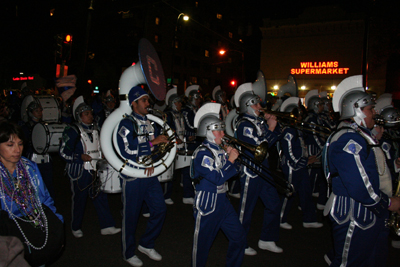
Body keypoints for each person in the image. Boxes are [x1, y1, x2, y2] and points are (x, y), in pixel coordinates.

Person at [323, 75, 400, 266]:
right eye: (370, 109)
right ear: (355, 110)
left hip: (365, 213)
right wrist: (387, 203)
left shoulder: (360, 136)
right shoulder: (348, 139)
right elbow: (358, 184)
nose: (374, 113)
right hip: (354, 214)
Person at [116, 86, 168, 267]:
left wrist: (162, 146)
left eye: (148, 100)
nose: (148, 103)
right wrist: (153, 142)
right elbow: (127, 150)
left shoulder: (149, 122)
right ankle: (128, 253)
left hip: (149, 174)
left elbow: (153, 148)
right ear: (134, 103)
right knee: (131, 217)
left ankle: (146, 243)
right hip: (133, 176)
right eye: (144, 100)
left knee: (160, 209)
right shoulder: (126, 124)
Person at [0, 121, 64, 267]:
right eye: (10, 145)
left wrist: (56, 228)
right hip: (8, 236)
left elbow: (45, 199)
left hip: (34, 228)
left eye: (20, 144)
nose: (17, 150)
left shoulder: (29, 167)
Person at [190, 103, 246, 267]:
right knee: (202, 246)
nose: (223, 133)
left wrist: (232, 157)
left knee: (239, 237)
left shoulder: (220, 149)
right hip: (207, 202)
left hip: (223, 201)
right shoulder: (202, 153)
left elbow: (234, 171)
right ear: (208, 131)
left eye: (222, 129)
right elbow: (218, 177)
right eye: (219, 130)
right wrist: (230, 160)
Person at [59, 96, 120, 239]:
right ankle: (75, 227)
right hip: (80, 171)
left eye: (91, 113)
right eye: (86, 114)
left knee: (100, 197)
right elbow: (63, 152)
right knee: (79, 200)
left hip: (95, 170)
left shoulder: (96, 129)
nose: (90, 116)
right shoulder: (72, 130)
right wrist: (79, 157)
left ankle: (107, 225)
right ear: (79, 116)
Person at [234, 82, 283, 255]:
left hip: (264, 168)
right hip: (250, 171)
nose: (259, 107)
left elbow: (274, 139)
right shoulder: (244, 125)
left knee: (274, 204)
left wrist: (273, 124)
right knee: (245, 210)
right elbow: (260, 147)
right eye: (255, 104)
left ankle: (267, 239)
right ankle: (240, 243)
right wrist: (270, 127)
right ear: (247, 106)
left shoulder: (258, 121)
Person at [278, 97, 323, 230]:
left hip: (300, 165)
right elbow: (289, 152)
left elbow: (301, 147)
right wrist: (305, 161)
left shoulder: (295, 129)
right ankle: (280, 218)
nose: (299, 118)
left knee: (306, 192)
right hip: (292, 166)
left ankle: (309, 219)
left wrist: (307, 158)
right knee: (289, 193)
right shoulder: (288, 131)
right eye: (297, 115)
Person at [21, 101, 55, 199]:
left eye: (40, 110)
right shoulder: (26, 127)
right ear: (31, 112)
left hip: (46, 159)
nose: (39, 113)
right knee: (34, 185)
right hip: (33, 159)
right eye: (36, 111)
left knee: (48, 185)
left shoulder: (45, 125)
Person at [181, 85, 203, 204]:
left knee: (195, 168)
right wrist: (199, 130)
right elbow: (189, 125)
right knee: (188, 169)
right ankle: (187, 194)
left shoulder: (196, 110)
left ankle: (192, 192)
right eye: (197, 98)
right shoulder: (186, 111)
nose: (199, 100)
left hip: (196, 142)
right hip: (189, 142)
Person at [164, 87, 184, 205]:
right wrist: (174, 138)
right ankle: (166, 195)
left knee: (177, 171)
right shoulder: (168, 114)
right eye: (178, 102)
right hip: (171, 145)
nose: (181, 104)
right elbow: (166, 129)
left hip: (181, 145)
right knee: (169, 172)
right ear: (172, 103)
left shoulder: (180, 114)